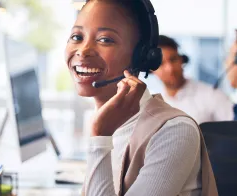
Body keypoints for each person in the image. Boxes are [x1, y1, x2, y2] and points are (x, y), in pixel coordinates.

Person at [65, 0, 217, 196]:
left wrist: (100, 136)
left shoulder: (174, 131)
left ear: (140, 56)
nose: (83, 50)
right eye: (77, 36)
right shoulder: (109, 122)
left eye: (105, 40)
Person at [151, 35, 234, 124]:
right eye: (161, 64)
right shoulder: (154, 106)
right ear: (151, 70)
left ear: (182, 60)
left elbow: (235, 133)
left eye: (173, 60)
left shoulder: (213, 96)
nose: (170, 68)